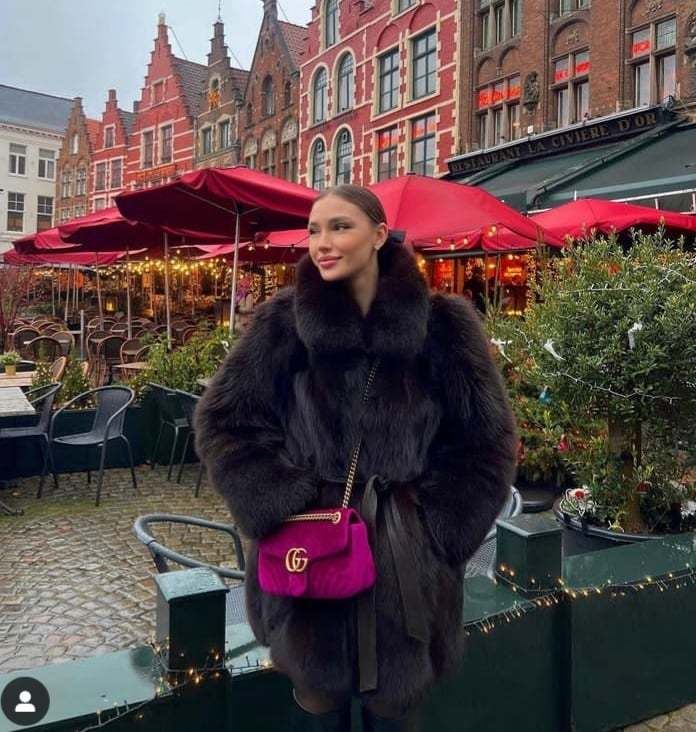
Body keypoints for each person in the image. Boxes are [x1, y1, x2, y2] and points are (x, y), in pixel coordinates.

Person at [195, 185, 517, 731]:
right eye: (313, 230)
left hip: (406, 567)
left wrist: (437, 530)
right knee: (316, 699)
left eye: (340, 227)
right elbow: (223, 421)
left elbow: (487, 442)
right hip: (309, 551)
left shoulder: (443, 327)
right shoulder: (283, 325)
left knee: (394, 706)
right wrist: (281, 499)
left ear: (379, 234)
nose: (321, 242)